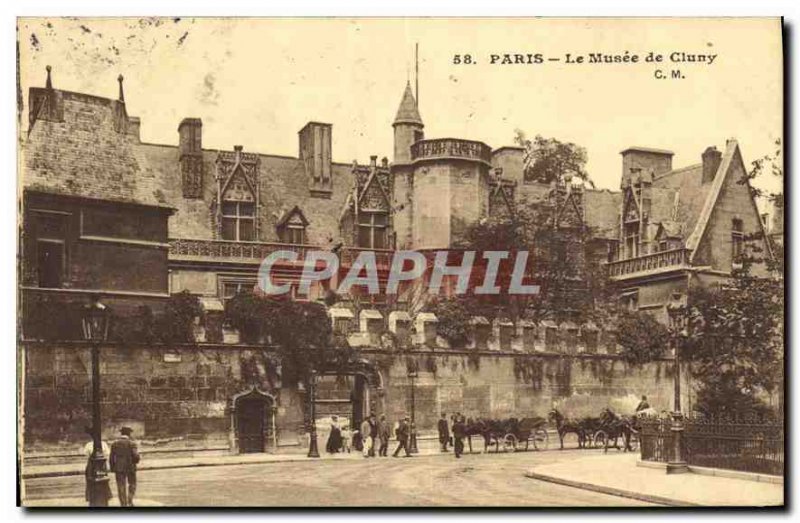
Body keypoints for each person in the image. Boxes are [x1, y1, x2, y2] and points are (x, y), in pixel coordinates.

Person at [109, 426, 140, 507]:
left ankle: (123, 504)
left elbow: (111, 457)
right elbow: (136, 456)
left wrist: (113, 468)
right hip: (131, 467)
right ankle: (130, 501)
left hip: (119, 468)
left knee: (121, 486)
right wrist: (136, 462)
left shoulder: (115, 443)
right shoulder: (132, 443)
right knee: (132, 484)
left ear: (121, 433)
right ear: (129, 434)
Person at [82, 426, 111, 504]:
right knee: (104, 481)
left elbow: (86, 455)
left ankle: (92, 498)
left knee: (90, 482)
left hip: (91, 466)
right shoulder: (103, 444)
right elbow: (107, 454)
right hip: (101, 465)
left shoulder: (88, 445)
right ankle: (104, 498)